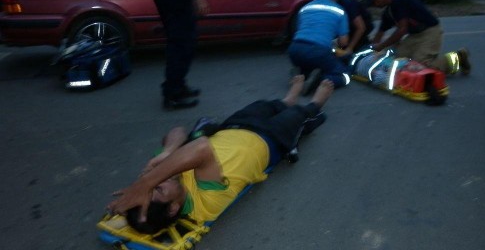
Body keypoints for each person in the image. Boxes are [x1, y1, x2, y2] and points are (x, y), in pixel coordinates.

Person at [106, 76, 334, 233]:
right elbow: (201, 147)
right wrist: (146, 182)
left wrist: (168, 151)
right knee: (301, 114)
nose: (160, 180)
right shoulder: (204, 204)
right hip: (270, 141)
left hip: (233, 127)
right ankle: (316, 102)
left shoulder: (169, 176)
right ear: (174, 207)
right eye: (158, 189)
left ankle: (288, 98)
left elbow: (177, 131)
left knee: (265, 105)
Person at [367, 0, 471, 76]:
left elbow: (402, 30)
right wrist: (371, 51)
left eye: (374, 0)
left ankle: (459, 58)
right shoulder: (388, 11)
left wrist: (381, 46)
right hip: (415, 35)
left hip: (430, 31)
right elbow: (380, 32)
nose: (374, 4)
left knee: (422, 65)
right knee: (396, 57)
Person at [288, 0, 351, 95]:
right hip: (317, 51)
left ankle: (301, 75)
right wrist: (333, 42)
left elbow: (301, 30)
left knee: (311, 63)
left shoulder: (305, 8)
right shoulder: (340, 11)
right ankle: (317, 81)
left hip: (294, 50)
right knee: (344, 75)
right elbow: (344, 42)